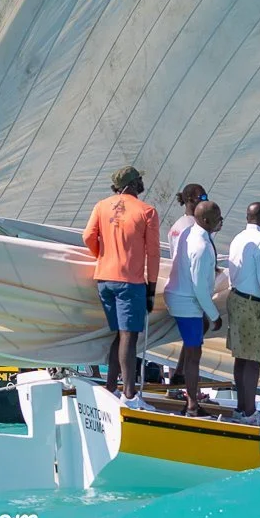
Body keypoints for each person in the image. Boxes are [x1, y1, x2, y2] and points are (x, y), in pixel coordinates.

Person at [83, 165, 161, 407]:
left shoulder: (100, 206)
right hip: (130, 282)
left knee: (120, 334)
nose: (141, 185)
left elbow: (87, 237)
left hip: (104, 279)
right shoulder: (147, 211)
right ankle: (129, 395)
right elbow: (154, 254)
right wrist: (151, 288)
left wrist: (101, 256)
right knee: (129, 336)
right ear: (131, 185)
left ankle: (110, 386)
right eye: (138, 181)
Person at [164, 199, 224, 418]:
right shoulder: (201, 247)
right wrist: (215, 315)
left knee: (195, 344)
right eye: (218, 219)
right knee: (194, 355)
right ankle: (191, 405)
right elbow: (199, 289)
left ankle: (182, 380)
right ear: (206, 220)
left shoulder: (191, 233)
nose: (221, 223)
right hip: (186, 302)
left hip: (180, 296)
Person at [225, 202, 260, 424]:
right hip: (250, 304)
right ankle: (249, 413)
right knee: (253, 360)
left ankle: (242, 409)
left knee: (241, 358)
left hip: (235, 298)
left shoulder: (238, 237)